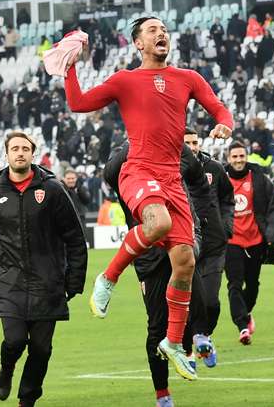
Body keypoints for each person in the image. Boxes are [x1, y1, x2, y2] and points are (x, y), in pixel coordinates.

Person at [63, 16, 233, 381]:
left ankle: (173, 342)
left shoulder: (188, 78)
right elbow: (78, 103)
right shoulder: (125, 80)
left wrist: (225, 123)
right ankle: (107, 279)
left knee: (185, 261)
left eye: (164, 30)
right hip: (138, 169)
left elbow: (218, 108)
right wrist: (70, 68)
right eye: (153, 30)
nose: (162, 34)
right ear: (137, 43)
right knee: (158, 224)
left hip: (172, 179)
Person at [0, 131, 87, 406]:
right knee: (14, 341)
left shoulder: (52, 190)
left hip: (47, 283)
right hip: (9, 284)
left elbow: (74, 236)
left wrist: (74, 281)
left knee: (41, 349)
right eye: (15, 148)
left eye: (25, 148)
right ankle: (8, 367)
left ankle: (27, 400)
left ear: (32, 154)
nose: (20, 153)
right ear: (6, 154)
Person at [103, 140, 208, 406]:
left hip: (180, 250)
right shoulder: (127, 170)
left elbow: (196, 177)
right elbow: (109, 170)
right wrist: (140, 138)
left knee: (199, 308)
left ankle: (188, 347)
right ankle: (162, 394)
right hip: (150, 259)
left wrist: (197, 231)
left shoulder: (173, 163)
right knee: (156, 327)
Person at [182, 129, 233, 366]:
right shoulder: (170, 168)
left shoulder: (214, 168)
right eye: (187, 143)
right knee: (187, 302)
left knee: (211, 301)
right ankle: (188, 350)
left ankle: (205, 337)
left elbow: (227, 198)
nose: (192, 146)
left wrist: (226, 226)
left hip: (213, 243)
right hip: (185, 245)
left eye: (195, 142)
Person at [224, 142, 274, 346]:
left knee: (253, 285)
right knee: (235, 284)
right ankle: (242, 326)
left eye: (241, 156)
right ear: (228, 158)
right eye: (234, 157)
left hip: (255, 241)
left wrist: (272, 235)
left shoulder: (260, 180)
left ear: (246, 157)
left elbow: (272, 206)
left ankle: (246, 313)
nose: (238, 160)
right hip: (232, 242)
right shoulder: (222, 181)